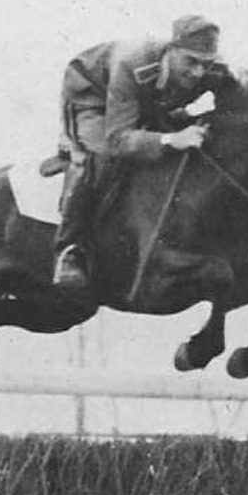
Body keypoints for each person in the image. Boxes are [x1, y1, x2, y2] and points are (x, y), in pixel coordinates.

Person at [52, 15, 222, 292]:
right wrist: (170, 139)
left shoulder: (210, 69)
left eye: (207, 63)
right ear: (172, 49)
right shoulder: (131, 65)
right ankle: (68, 250)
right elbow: (118, 138)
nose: (199, 73)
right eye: (191, 61)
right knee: (101, 155)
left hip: (136, 100)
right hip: (91, 92)